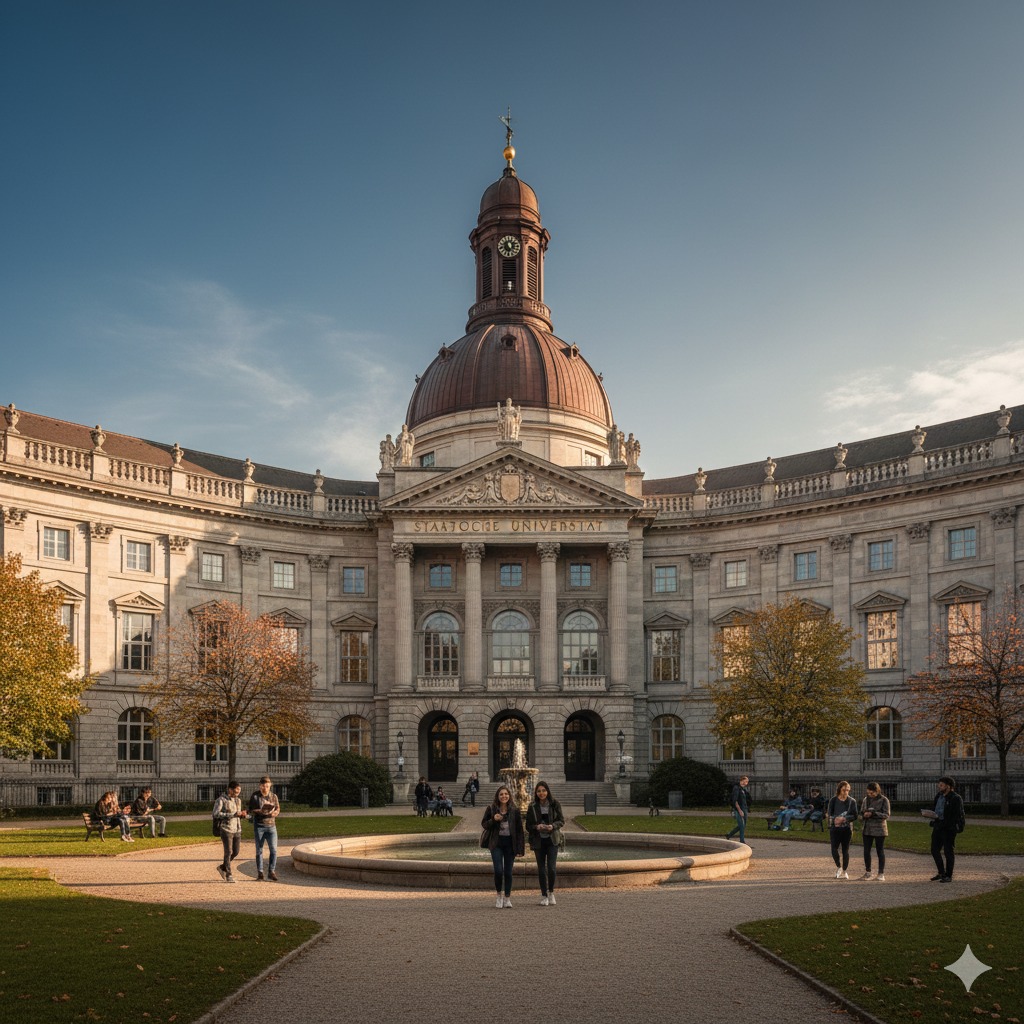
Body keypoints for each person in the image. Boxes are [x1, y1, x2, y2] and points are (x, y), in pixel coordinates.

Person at [481, 785, 525, 908]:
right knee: (498, 871)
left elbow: (519, 831)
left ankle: (507, 897)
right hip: (496, 843)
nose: (504, 796)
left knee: (508, 872)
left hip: (510, 844)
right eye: (501, 794)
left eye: (506, 794)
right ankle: (499, 895)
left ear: (509, 796)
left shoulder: (514, 810)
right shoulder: (491, 809)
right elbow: (484, 824)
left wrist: (520, 849)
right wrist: (493, 820)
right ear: (498, 796)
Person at [526, 781, 565, 906]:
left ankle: (551, 892)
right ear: (536, 793)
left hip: (552, 839)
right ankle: (544, 895)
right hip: (538, 841)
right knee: (541, 869)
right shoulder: (532, 806)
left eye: (543, 790)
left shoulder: (555, 804)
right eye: (539, 791)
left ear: (547, 791)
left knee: (552, 868)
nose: (541, 793)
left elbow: (561, 821)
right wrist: (536, 827)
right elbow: (528, 826)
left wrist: (552, 826)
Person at [929, 776, 965, 883]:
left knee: (948, 851)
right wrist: (931, 816)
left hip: (949, 828)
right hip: (938, 826)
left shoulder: (955, 798)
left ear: (948, 786)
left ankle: (949, 875)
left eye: (941, 785)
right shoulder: (939, 796)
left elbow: (955, 816)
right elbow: (935, 809)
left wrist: (945, 823)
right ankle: (941, 872)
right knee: (934, 850)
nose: (939, 787)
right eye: (939, 785)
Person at [212, 780, 248, 882]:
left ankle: (222, 867)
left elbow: (237, 815)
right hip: (226, 828)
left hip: (237, 828)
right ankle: (228, 874)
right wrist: (232, 815)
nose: (238, 793)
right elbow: (215, 814)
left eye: (239, 791)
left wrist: (243, 815)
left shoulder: (238, 801)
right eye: (236, 791)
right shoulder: (221, 800)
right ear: (230, 789)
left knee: (236, 852)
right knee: (228, 852)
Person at [248, 776, 280, 881]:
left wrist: (275, 813)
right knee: (259, 850)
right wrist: (260, 811)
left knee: (274, 850)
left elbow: (278, 808)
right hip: (259, 826)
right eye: (263, 786)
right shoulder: (255, 796)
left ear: (270, 785)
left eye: (267, 786)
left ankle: (271, 871)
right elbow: (251, 809)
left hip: (271, 826)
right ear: (260, 786)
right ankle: (260, 873)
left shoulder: (273, 796)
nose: (265, 788)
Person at [827, 780, 858, 879]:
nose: (846, 792)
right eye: (844, 790)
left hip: (847, 828)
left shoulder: (852, 801)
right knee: (834, 849)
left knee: (845, 850)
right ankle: (838, 866)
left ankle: (845, 870)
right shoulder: (833, 800)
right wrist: (835, 819)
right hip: (835, 828)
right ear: (840, 789)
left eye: (848, 790)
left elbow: (855, 815)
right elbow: (829, 813)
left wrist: (845, 819)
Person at [860, 781, 890, 881]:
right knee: (866, 851)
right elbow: (862, 811)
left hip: (879, 829)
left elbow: (886, 815)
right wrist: (864, 814)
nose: (870, 795)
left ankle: (881, 873)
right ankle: (868, 872)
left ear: (877, 791)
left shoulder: (884, 800)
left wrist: (873, 814)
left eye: (872, 793)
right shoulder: (866, 799)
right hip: (867, 829)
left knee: (879, 850)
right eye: (868, 793)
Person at [725, 775, 750, 844]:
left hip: (744, 808)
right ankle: (742, 840)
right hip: (739, 809)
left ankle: (729, 834)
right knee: (741, 825)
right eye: (746, 781)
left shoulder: (742, 789)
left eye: (747, 782)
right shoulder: (736, 788)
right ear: (742, 780)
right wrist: (739, 810)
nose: (747, 783)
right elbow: (735, 800)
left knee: (743, 825)